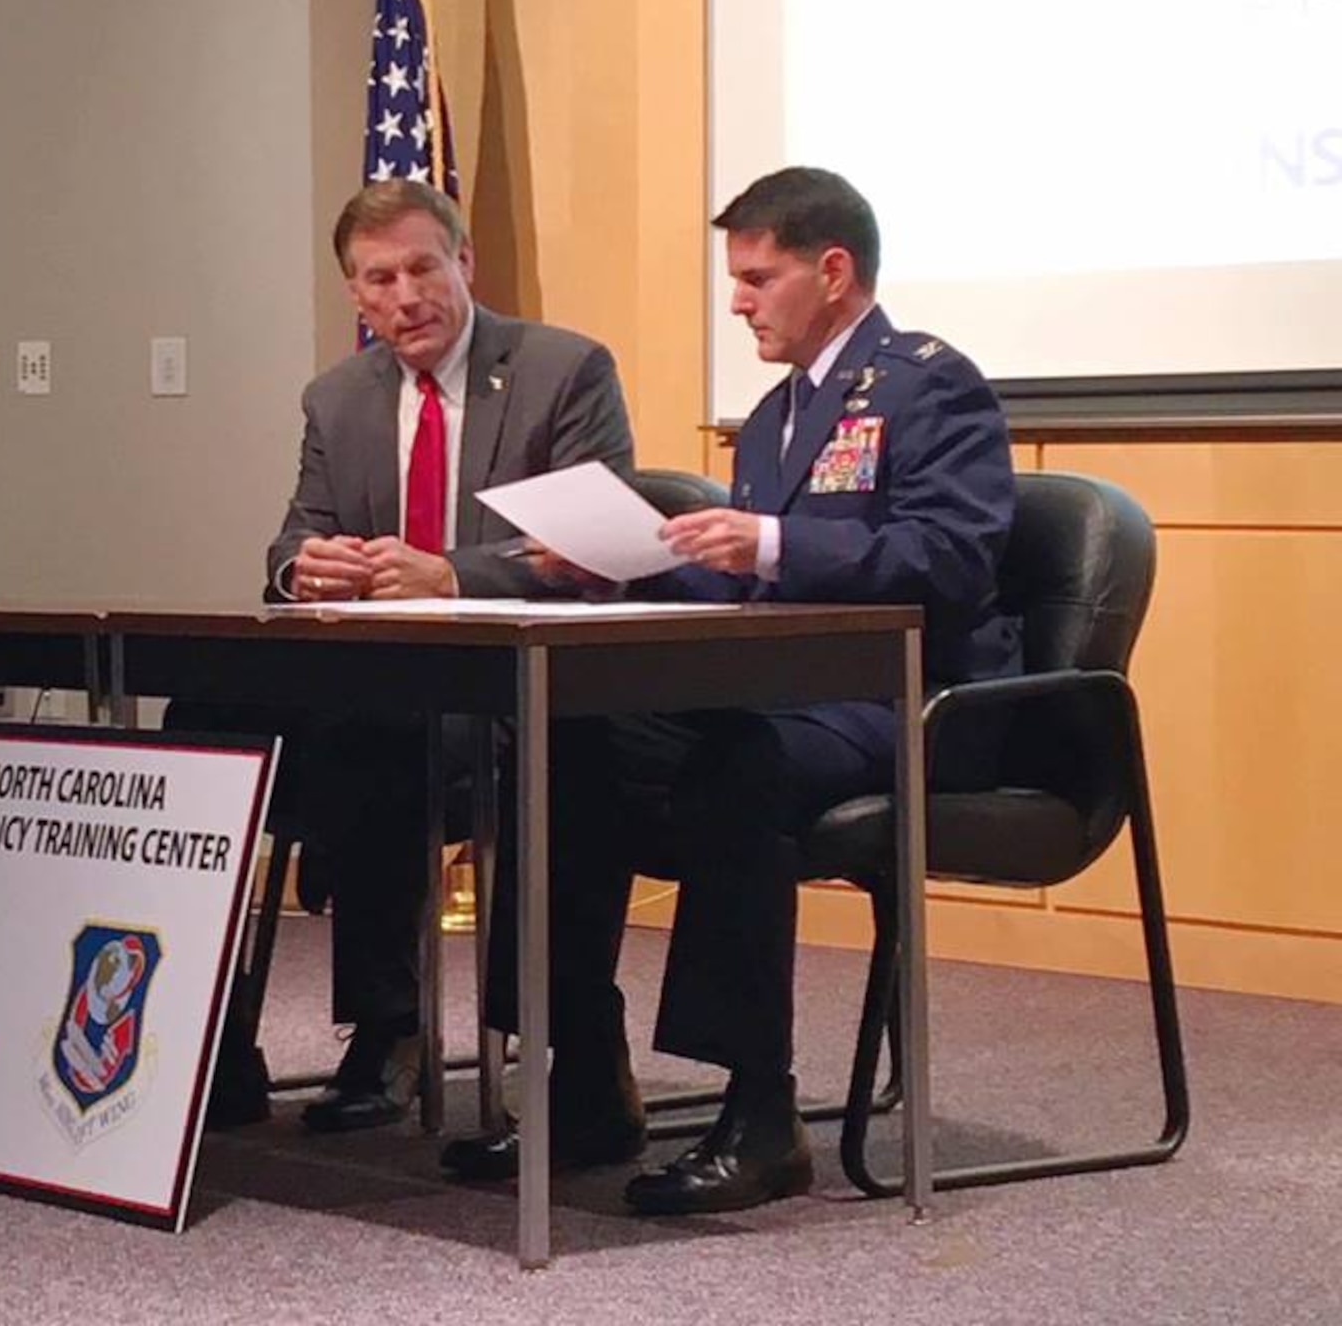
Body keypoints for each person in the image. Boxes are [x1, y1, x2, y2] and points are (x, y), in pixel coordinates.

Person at [442, 165, 1020, 1214]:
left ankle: (760, 1110)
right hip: (791, 690)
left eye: (757, 277)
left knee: (737, 761)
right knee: (564, 730)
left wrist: (775, 538)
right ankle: (580, 1070)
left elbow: (950, 558)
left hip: (909, 703)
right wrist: (619, 565)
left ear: (831, 269)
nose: (738, 300)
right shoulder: (770, 416)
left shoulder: (928, 383)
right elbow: (752, 579)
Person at [170, 178, 634, 1131]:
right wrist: (308, 565)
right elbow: (292, 538)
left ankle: (392, 1032)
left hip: (510, 693)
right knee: (200, 724)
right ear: (354, 294)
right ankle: (210, 1043)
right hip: (374, 683)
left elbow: (596, 547)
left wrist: (452, 575)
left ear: (464, 264)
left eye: (423, 267)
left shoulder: (563, 370)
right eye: (378, 279)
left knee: (375, 741)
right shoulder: (337, 398)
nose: (404, 296)